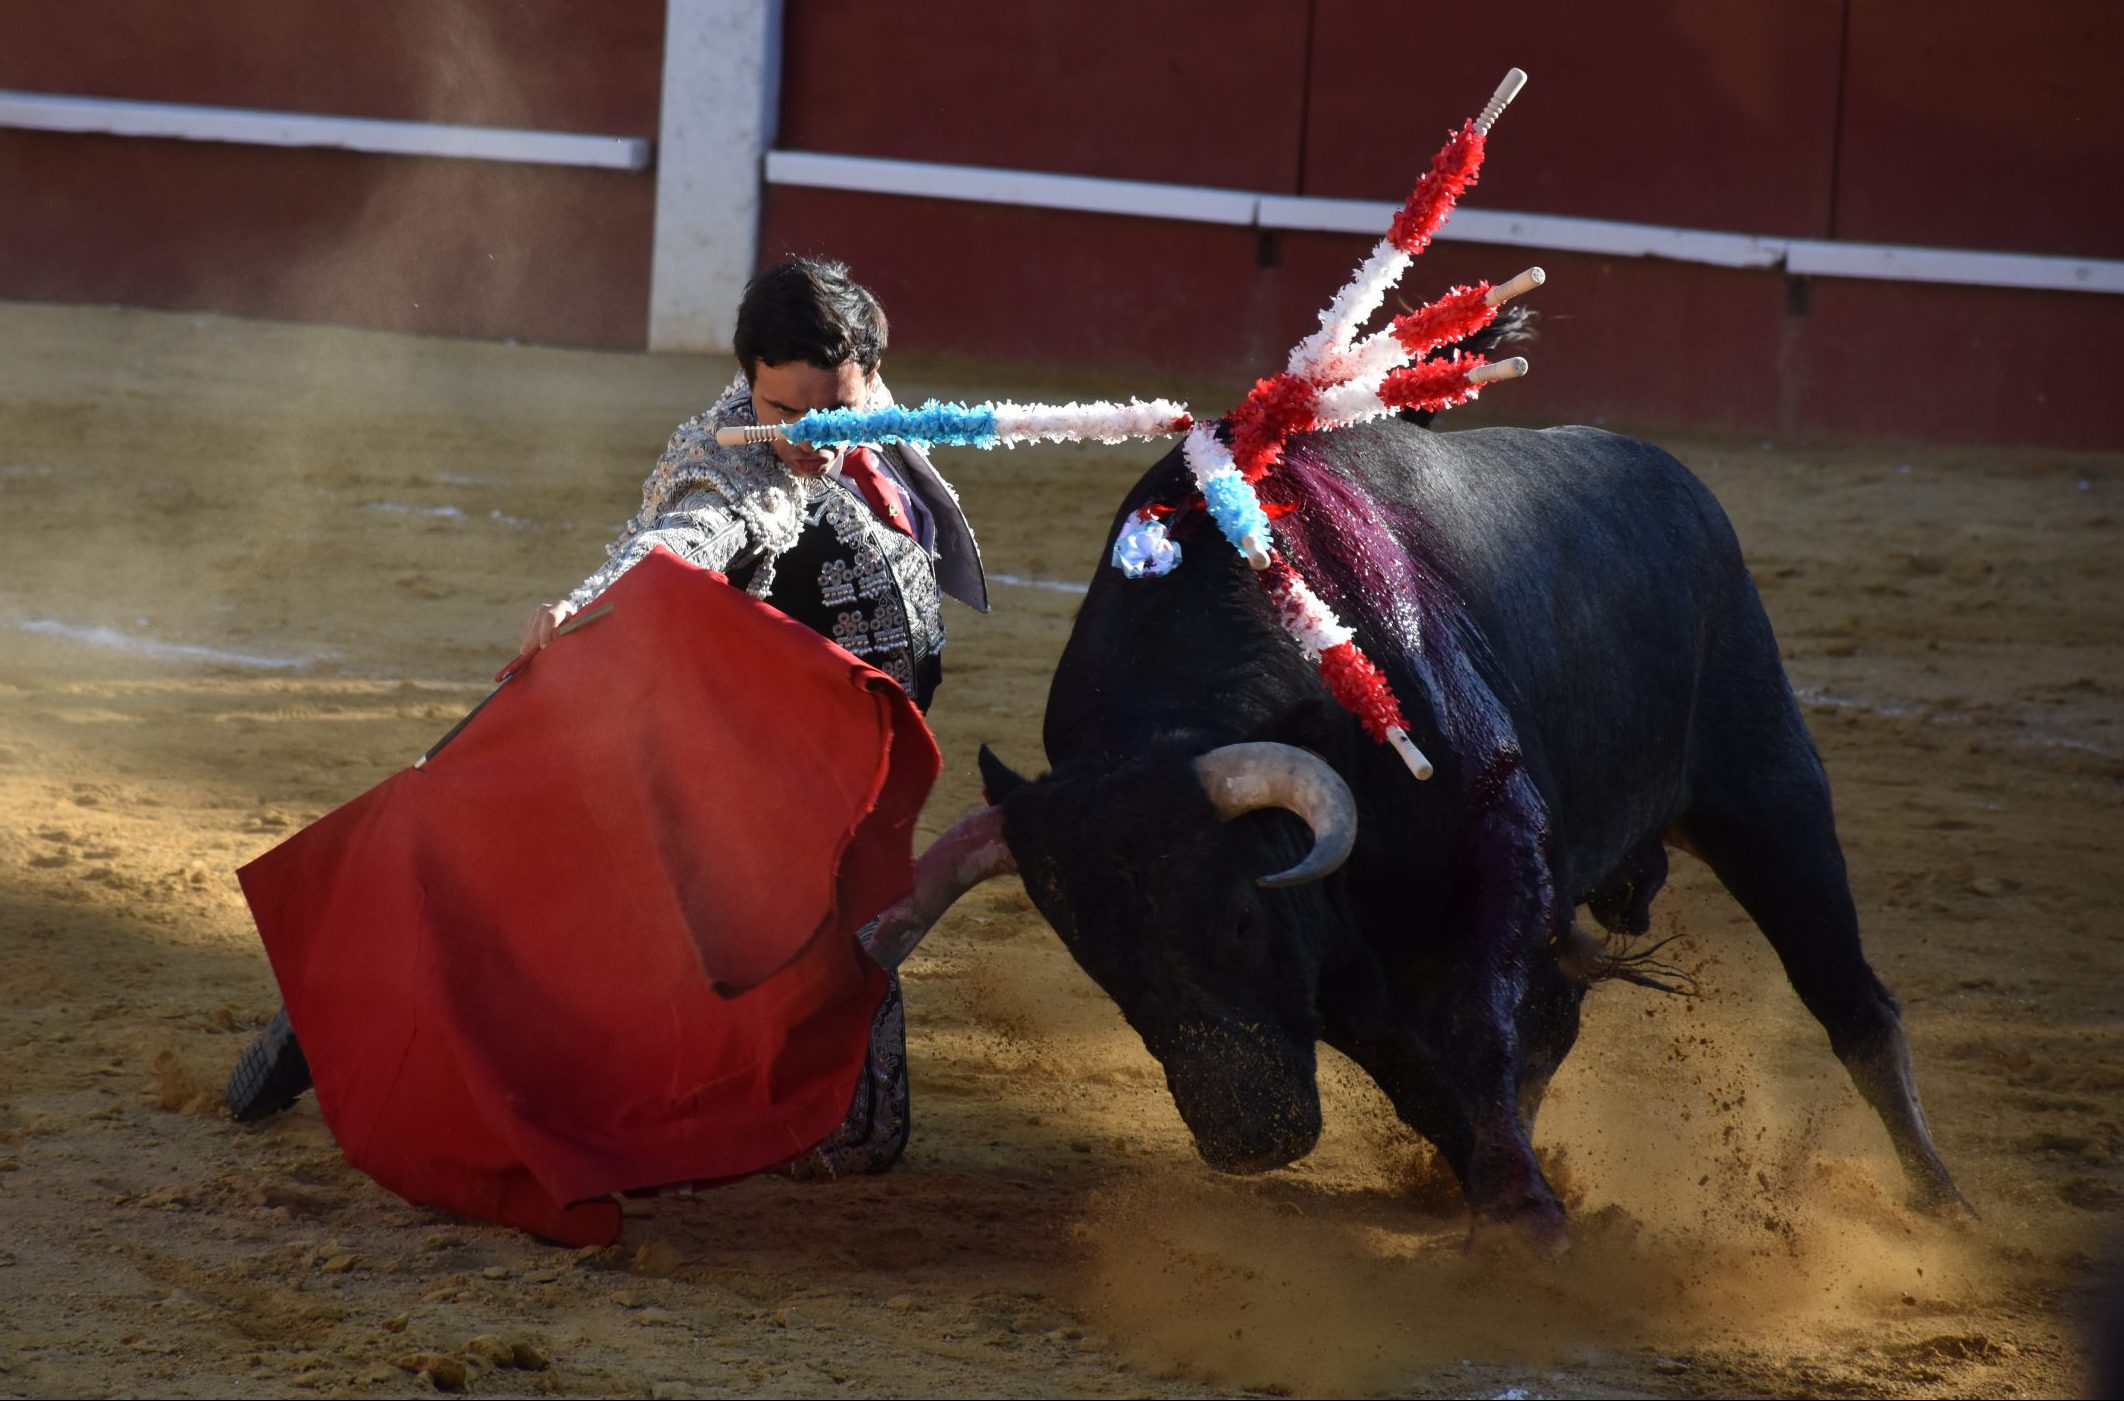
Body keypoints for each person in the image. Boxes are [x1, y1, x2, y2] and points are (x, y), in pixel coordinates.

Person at [229, 257, 987, 1181]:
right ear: (749, 377)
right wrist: (583, 600)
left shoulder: (845, 389)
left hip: (825, 756)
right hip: (736, 763)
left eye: (838, 410)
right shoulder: (726, 462)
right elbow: (672, 544)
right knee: (536, 902)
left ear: (868, 373)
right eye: (787, 412)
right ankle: (329, 1010)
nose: (814, 439)